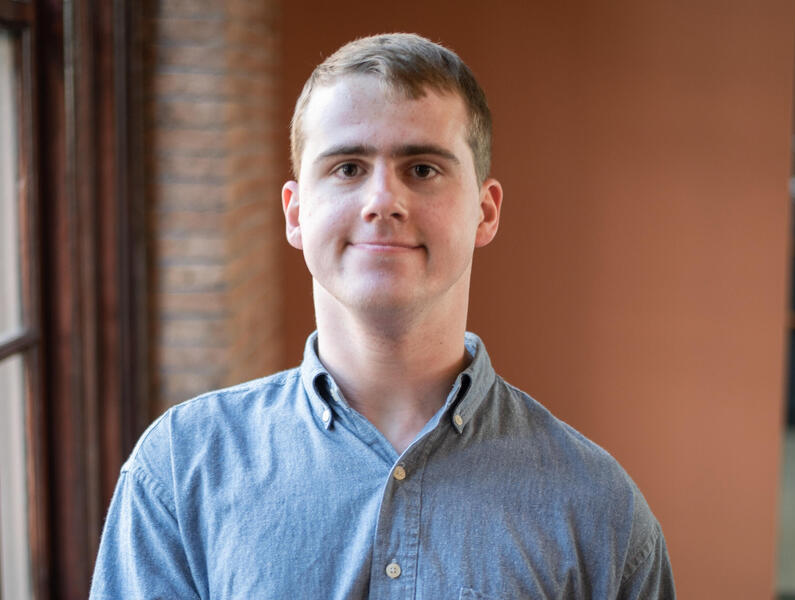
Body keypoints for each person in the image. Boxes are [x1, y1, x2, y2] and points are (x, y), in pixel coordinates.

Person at [90, 33, 674, 599]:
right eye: (346, 167)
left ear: (485, 212)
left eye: (422, 169)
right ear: (296, 214)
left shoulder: (601, 512)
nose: (381, 201)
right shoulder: (179, 472)